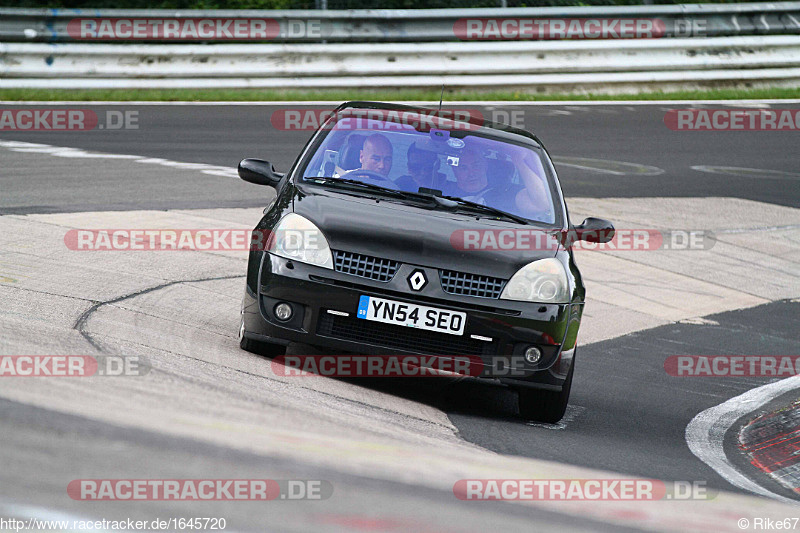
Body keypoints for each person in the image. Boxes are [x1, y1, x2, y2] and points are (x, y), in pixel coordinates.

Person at [447, 146, 551, 219]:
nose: (471, 173)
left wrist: (519, 161)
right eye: (463, 168)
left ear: (485, 166)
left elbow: (541, 204)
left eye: (476, 166)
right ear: (454, 170)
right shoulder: (440, 190)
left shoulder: (505, 193)